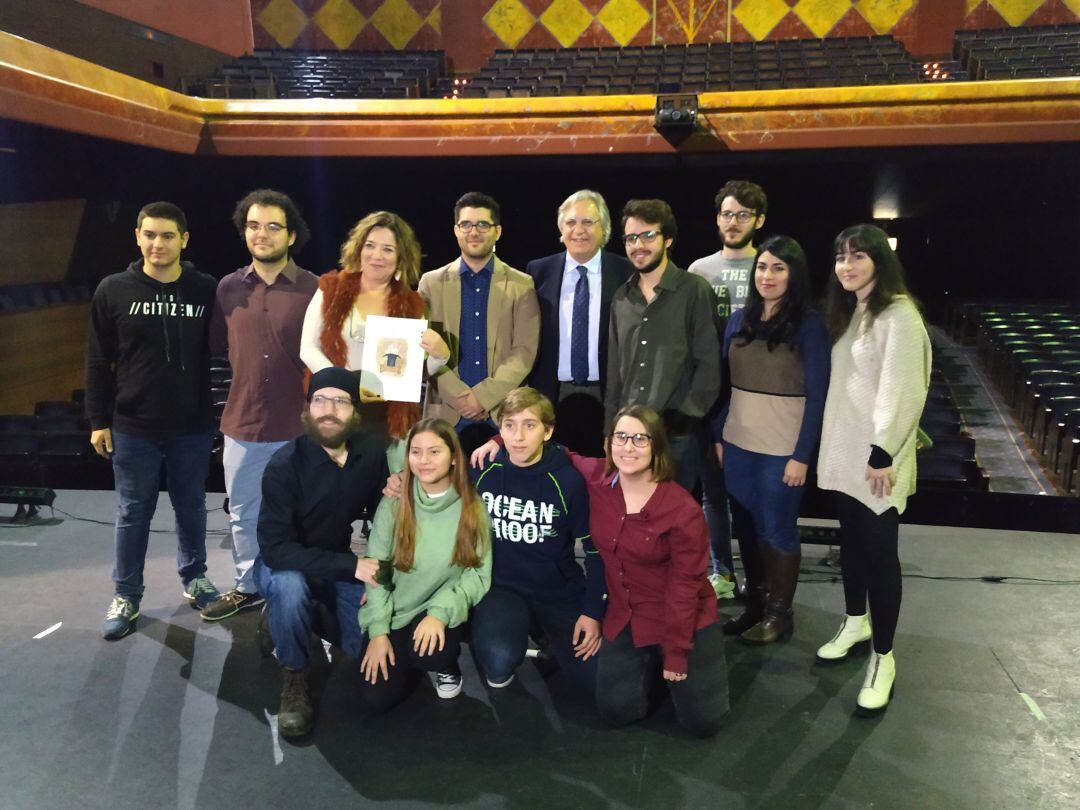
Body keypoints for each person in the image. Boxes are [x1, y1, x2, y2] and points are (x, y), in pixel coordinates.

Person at [473, 404, 729, 737]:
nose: (629, 447)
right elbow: (546, 447)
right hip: (624, 613)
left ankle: (676, 661)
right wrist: (499, 438)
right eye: (621, 437)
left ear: (657, 446)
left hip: (678, 616)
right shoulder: (596, 477)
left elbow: (685, 588)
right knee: (614, 709)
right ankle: (644, 663)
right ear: (608, 444)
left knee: (702, 724)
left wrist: (677, 652)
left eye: (640, 438)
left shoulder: (683, 510)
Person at [87, 201, 220, 641]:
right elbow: (97, 359)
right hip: (132, 425)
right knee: (132, 512)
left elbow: (219, 354)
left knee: (191, 507)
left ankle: (195, 579)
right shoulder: (112, 289)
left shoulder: (206, 289)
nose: (157, 243)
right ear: (137, 236)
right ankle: (126, 595)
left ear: (184, 239)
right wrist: (97, 419)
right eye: (149, 234)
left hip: (191, 425)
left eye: (167, 235)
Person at [816, 224, 930, 717]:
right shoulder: (855, 310)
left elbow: (902, 388)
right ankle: (855, 622)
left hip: (877, 462)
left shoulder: (899, 313)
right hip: (846, 455)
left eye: (858, 257)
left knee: (881, 557)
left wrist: (883, 453)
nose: (847, 265)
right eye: (841, 257)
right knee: (854, 547)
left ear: (879, 262)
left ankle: (884, 657)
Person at [202, 189, 318, 622]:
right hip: (243, 423)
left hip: (300, 426)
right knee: (243, 515)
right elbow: (218, 347)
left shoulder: (315, 288)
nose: (262, 234)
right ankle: (248, 586)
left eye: (273, 226)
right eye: (253, 225)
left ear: (291, 235)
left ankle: (298, 589)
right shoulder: (227, 288)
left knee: (301, 516)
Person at [255, 367, 389, 737]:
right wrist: (353, 565)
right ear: (307, 409)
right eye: (319, 400)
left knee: (367, 650)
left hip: (331, 566)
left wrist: (393, 494)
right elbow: (277, 551)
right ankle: (295, 677)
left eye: (340, 401)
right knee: (289, 588)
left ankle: (287, 621)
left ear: (355, 412)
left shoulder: (370, 456)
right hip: (281, 565)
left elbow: (384, 515)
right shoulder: (284, 466)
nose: (328, 410)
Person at [712, 235, 830, 645]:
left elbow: (818, 397)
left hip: (782, 450)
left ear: (794, 274)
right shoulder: (739, 318)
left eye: (778, 268)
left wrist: (802, 456)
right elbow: (725, 386)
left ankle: (780, 614)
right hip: (738, 443)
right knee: (746, 528)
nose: (768, 275)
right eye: (762, 267)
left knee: (777, 530)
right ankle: (756, 606)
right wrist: (719, 436)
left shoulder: (810, 325)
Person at [470, 387, 605, 693]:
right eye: (509, 425)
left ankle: (549, 636)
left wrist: (592, 611)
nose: (518, 436)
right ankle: (509, 633)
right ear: (500, 429)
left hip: (557, 590)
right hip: (502, 588)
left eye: (529, 425)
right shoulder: (483, 470)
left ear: (548, 432)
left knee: (598, 684)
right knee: (499, 658)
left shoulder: (567, 481)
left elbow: (595, 552)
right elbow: (433, 482)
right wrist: (397, 481)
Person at [300, 211, 450, 471]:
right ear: (358, 248)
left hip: (387, 420)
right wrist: (342, 388)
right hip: (335, 412)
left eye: (388, 249)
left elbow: (416, 372)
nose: (376, 256)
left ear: (401, 256)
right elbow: (307, 349)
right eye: (370, 245)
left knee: (387, 495)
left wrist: (441, 356)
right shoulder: (330, 288)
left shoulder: (413, 304)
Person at [359, 418, 491, 711]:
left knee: (432, 653)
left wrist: (440, 614)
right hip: (399, 607)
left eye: (434, 452)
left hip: (440, 606)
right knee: (376, 698)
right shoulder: (395, 501)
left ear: (454, 457)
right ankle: (405, 654)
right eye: (415, 452)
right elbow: (375, 568)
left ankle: (446, 664)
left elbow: (479, 573)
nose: (424, 461)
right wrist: (378, 631)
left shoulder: (472, 506)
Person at [605, 198, 720, 498]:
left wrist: (685, 417)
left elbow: (709, 365)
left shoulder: (694, 290)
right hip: (629, 435)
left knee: (676, 524)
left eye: (648, 235)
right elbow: (615, 371)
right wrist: (610, 430)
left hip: (676, 436)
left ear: (667, 239)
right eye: (631, 238)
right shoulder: (621, 297)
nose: (638, 245)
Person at [689, 180, 769, 600]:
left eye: (742, 214)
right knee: (713, 494)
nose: (732, 222)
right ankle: (722, 571)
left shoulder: (769, 267)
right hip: (712, 396)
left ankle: (763, 579)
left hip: (759, 398)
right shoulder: (700, 270)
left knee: (753, 497)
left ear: (759, 220)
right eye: (726, 214)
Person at [418, 192, 539, 454]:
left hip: (503, 413)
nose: (474, 231)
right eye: (466, 225)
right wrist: (461, 398)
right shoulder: (431, 283)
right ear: (456, 230)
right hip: (446, 411)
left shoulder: (521, 284)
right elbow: (423, 350)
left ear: (497, 231)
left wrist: (482, 398)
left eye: (483, 225)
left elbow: (524, 353)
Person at [525, 190, 631, 456]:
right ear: (561, 229)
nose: (579, 230)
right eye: (571, 223)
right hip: (552, 394)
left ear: (604, 228)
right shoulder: (538, 272)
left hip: (607, 394)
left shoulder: (626, 272)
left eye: (588, 222)